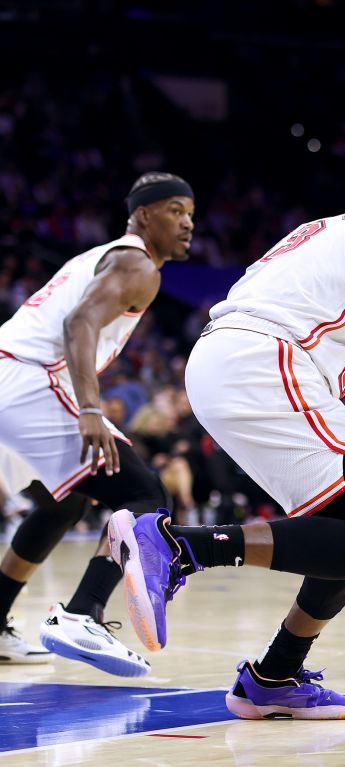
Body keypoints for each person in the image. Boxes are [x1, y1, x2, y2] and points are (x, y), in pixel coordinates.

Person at [108, 142, 345, 720]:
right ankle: (178, 547)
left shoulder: (328, 229)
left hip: (220, 362)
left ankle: (274, 676)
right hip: (264, 359)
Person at [0, 173, 195, 676]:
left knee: (64, 502)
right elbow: (79, 323)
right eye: (175, 210)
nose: (188, 222)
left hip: (11, 374)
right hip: (28, 376)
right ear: (144, 214)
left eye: (191, 212)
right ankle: (84, 612)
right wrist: (90, 407)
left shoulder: (110, 256)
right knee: (147, 495)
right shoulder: (136, 263)